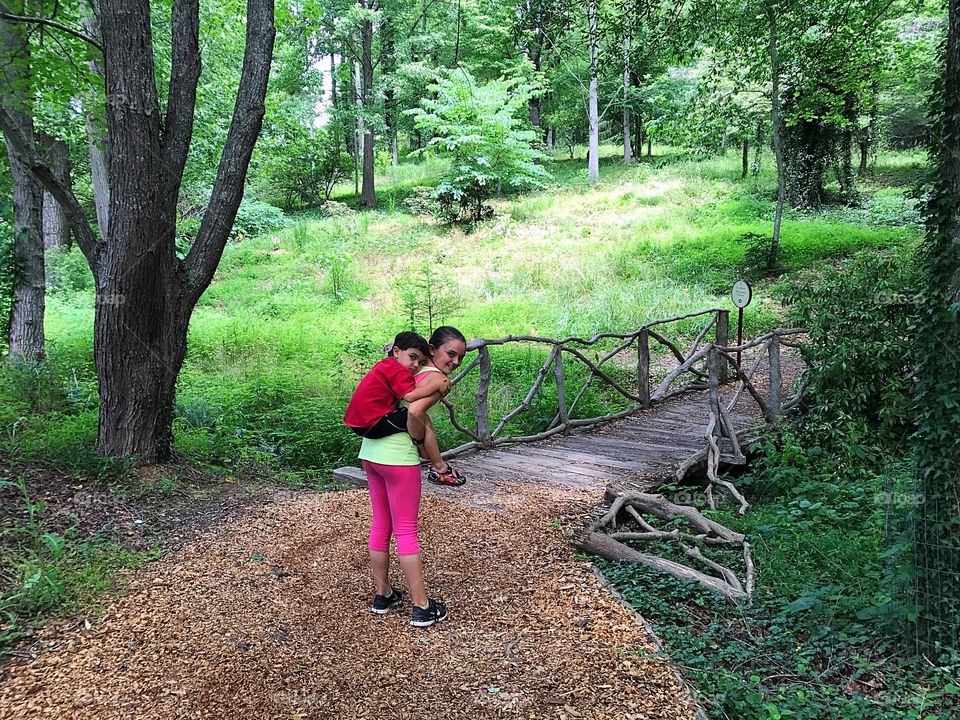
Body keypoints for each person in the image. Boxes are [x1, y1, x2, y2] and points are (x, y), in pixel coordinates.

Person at [358, 326, 468, 627]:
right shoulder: (433, 377)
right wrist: (423, 448)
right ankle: (421, 606)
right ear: (432, 349)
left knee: (382, 523)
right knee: (405, 530)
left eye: (460, 357)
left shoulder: (407, 368)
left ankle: (383, 595)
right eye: (451, 354)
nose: (456, 362)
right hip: (397, 459)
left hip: (370, 452)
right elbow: (414, 413)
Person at [343, 331, 443, 441]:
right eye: (412, 357)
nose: (416, 365)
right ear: (396, 352)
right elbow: (410, 396)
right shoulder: (399, 371)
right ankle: (425, 450)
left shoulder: (386, 363)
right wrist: (437, 385)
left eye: (421, 362)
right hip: (371, 425)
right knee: (420, 418)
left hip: (356, 421)